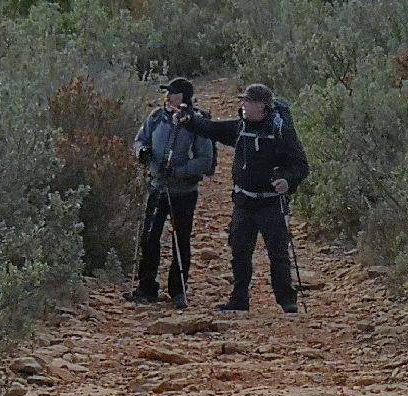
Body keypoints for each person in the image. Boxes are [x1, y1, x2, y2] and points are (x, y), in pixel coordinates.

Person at [177, 83, 308, 313]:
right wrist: (189, 121)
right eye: (243, 101)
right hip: (244, 201)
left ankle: (287, 300)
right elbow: (212, 129)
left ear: (263, 107)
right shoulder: (240, 128)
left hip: (271, 202)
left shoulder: (280, 132)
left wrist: (287, 181)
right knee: (239, 252)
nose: (243, 105)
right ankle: (239, 299)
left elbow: (300, 166)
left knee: (278, 253)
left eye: (248, 101)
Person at [125, 78, 216, 309]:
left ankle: (178, 290)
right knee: (149, 236)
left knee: (180, 239)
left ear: (184, 97)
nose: (168, 96)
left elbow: (205, 160)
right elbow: (140, 140)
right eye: (167, 92)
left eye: (173, 93)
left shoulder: (197, 123)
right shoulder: (156, 117)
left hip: (184, 191)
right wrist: (142, 152)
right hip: (157, 187)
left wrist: (179, 171)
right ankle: (146, 287)